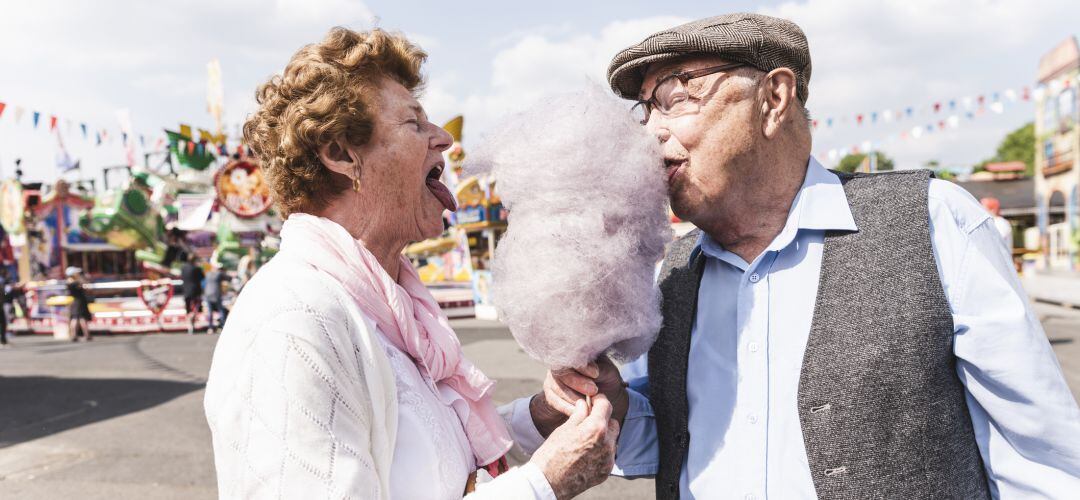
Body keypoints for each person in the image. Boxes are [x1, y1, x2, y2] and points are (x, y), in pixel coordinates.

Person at [518, 13, 1080, 499]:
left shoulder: (933, 220)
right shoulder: (673, 271)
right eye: (646, 111)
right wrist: (612, 403)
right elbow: (669, 441)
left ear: (775, 97)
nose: (651, 134)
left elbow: (1039, 458)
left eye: (678, 96)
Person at [204, 27, 618, 500]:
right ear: (341, 153)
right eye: (414, 124)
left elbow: (426, 455)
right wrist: (544, 483)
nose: (443, 138)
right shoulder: (294, 320)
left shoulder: (388, 304)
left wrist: (544, 416)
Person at [65, 267, 92, 342]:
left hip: (75, 302)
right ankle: (86, 335)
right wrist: (82, 279)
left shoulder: (69, 282)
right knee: (81, 318)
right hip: (79, 302)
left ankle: (74, 335)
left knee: (75, 318)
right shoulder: (75, 282)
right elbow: (86, 288)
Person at [179, 255, 205, 335]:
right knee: (195, 308)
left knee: (188, 309)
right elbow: (202, 277)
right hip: (195, 291)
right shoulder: (196, 268)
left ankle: (190, 325)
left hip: (186, 291)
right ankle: (191, 322)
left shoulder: (183, 268)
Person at [203, 261, 228, 334]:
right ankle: (222, 326)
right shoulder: (219, 274)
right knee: (221, 310)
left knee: (210, 311)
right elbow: (228, 278)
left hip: (208, 294)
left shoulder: (208, 274)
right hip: (216, 294)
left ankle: (210, 327)